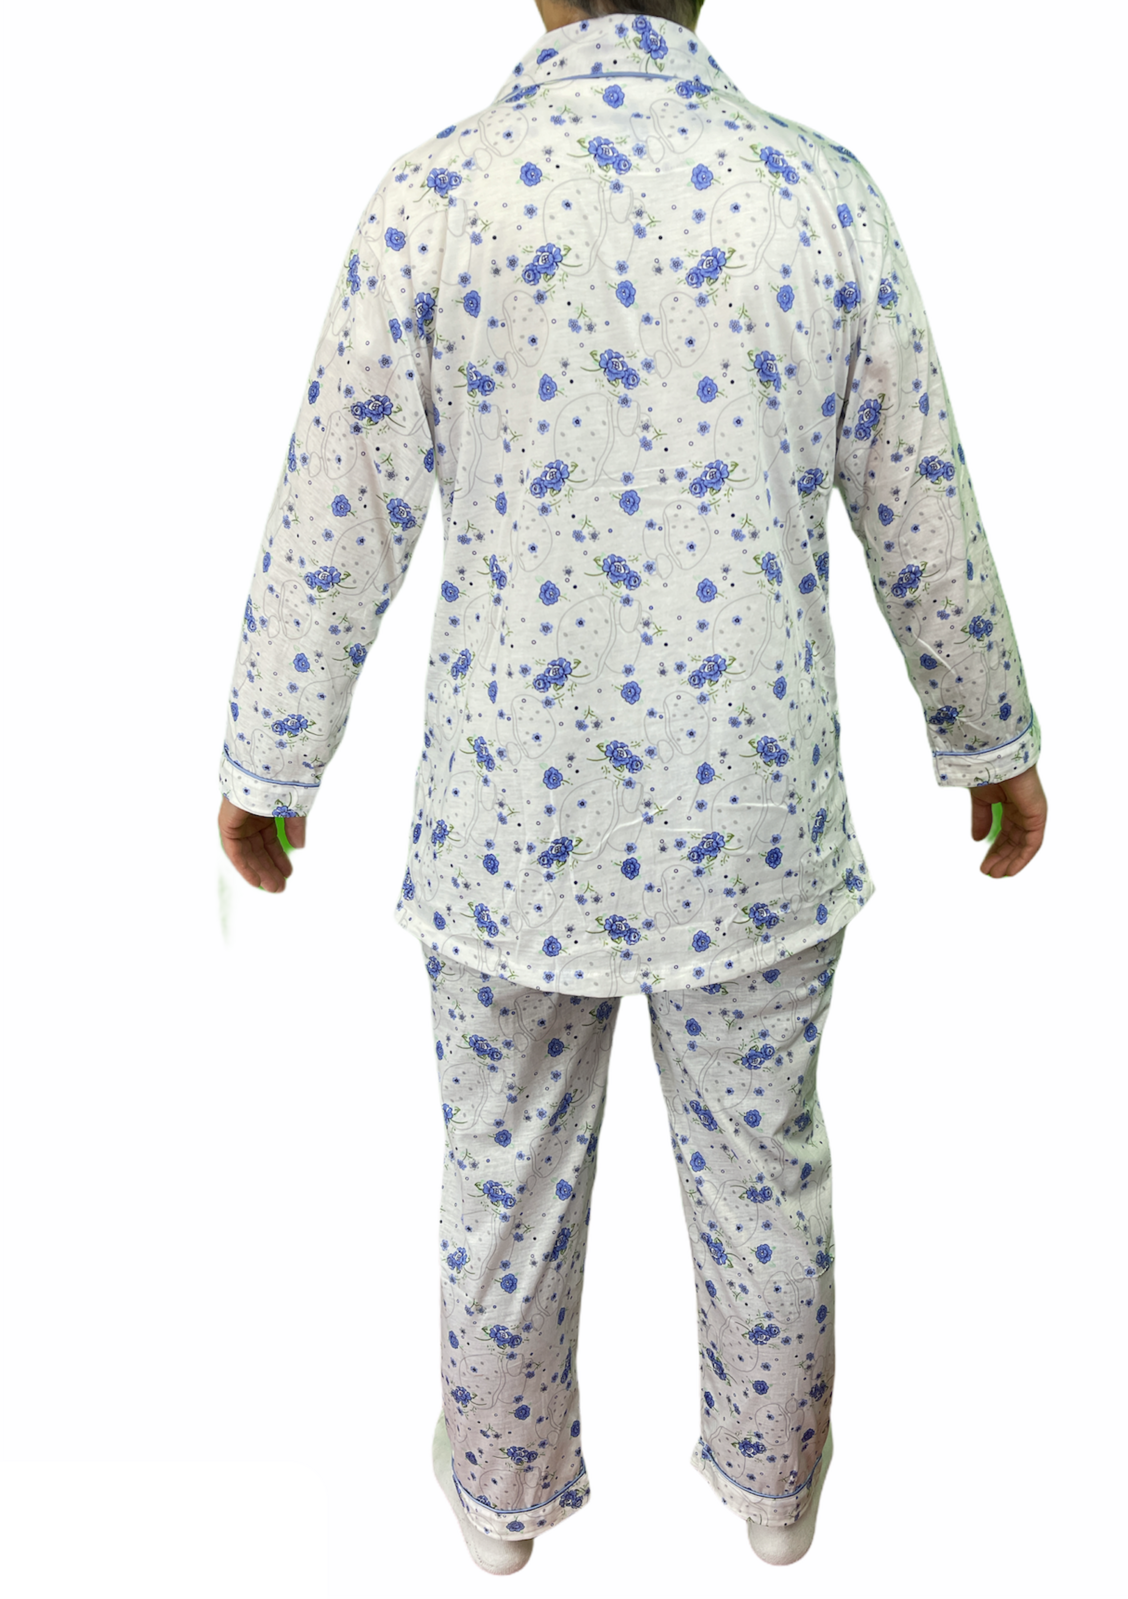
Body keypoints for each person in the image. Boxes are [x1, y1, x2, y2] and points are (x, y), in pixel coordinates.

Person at [216, 0, 1048, 1573]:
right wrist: (989, 734)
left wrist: (270, 754)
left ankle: (500, 1509)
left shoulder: (435, 198)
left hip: (511, 825)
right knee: (761, 1174)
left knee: (501, 1178)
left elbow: (338, 501)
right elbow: (918, 496)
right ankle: (776, 1496)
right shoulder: (815, 195)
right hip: (751, 816)